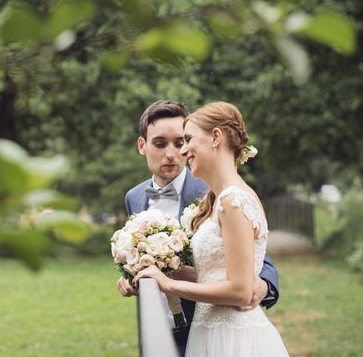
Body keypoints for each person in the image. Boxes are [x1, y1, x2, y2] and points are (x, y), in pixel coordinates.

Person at [117, 100, 279, 356]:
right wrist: (135, 275)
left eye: (182, 141)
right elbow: (207, 268)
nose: (176, 153)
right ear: (142, 146)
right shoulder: (134, 197)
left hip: (219, 331)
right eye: (160, 143)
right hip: (160, 330)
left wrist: (264, 285)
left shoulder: (218, 192)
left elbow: (252, 260)